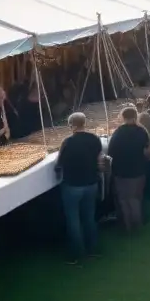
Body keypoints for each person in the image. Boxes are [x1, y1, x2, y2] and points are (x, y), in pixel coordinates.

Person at [56, 112, 103, 264]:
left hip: (72, 185)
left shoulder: (67, 142)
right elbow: (99, 159)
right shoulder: (95, 139)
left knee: (73, 220)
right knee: (89, 217)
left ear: (71, 126)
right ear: (84, 123)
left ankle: (77, 255)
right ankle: (92, 250)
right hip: (91, 183)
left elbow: (58, 164)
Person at [107, 106, 150, 232]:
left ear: (123, 117)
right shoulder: (142, 131)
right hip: (139, 170)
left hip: (121, 172)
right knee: (136, 199)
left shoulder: (118, 133)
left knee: (123, 200)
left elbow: (111, 152)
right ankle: (138, 225)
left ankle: (128, 227)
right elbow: (147, 151)